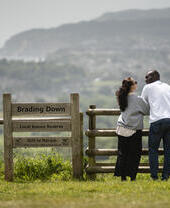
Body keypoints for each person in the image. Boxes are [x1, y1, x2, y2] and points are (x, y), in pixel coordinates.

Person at [114, 77, 149, 181]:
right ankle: (132, 176)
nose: (136, 84)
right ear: (132, 86)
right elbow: (147, 110)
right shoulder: (137, 99)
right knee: (134, 154)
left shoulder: (121, 97)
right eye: (135, 82)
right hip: (134, 129)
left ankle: (123, 176)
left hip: (122, 128)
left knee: (122, 153)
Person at [141, 70, 170, 181]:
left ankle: (154, 176)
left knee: (153, 149)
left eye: (147, 76)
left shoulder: (147, 87)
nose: (145, 79)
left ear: (154, 77)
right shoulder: (167, 86)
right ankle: (165, 176)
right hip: (169, 119)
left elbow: (143, 105)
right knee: (168, 150)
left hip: (157, 121)